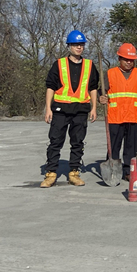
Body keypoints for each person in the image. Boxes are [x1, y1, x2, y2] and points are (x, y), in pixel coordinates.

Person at [41, 30, 99, 188]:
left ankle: (74, 173)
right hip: (60, 109)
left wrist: (94, 108)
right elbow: (50, 87)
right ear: (69, 46)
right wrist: (48, 108)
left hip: (80, 110)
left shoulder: (89, 65)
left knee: (77, 142)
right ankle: (51, 173)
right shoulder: (59, 64)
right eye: (75, 45)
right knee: (55, 141)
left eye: (81, 45)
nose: (79, 47)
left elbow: (93, 88)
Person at [98, 43, 137, 182]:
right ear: (119, 58)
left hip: (133, 116)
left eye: (131, 60)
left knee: (131, 146)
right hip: (115, 116)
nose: (129, 62)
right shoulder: (110, 73)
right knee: (114, 145)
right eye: (126, 59)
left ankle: (128, 171)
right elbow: (102, 92)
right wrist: (101, 98)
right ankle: (113, 169)